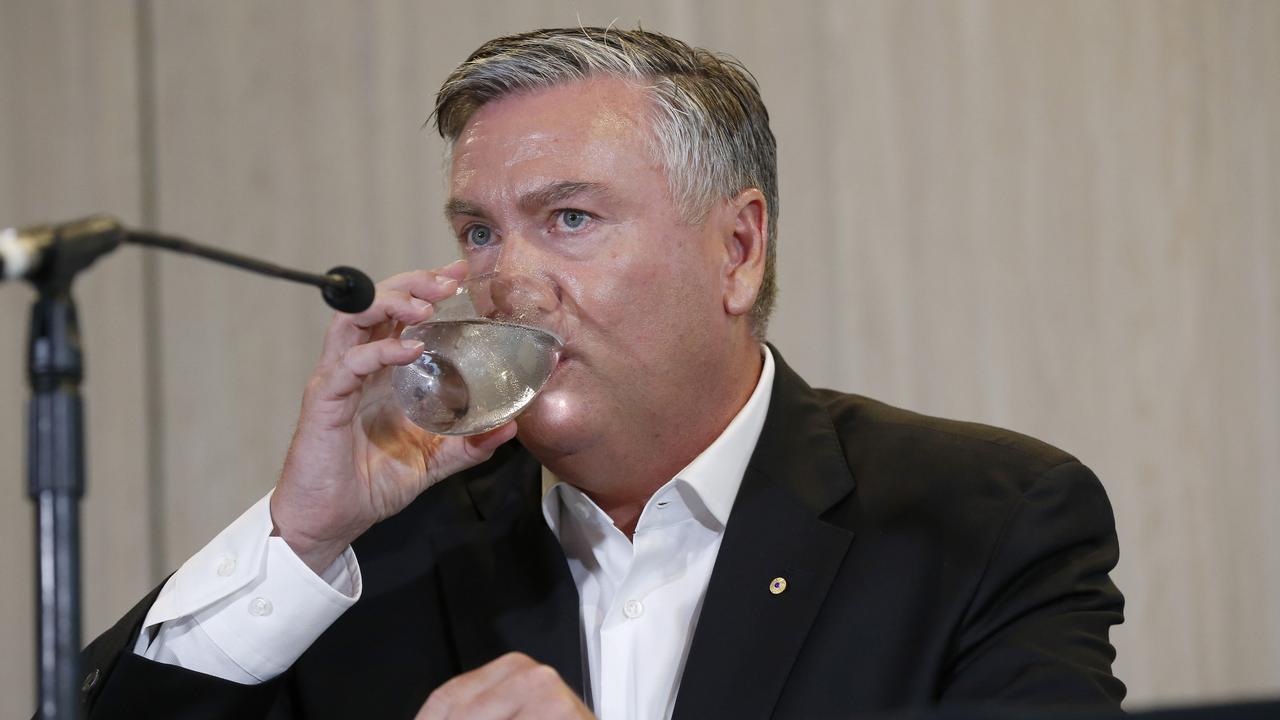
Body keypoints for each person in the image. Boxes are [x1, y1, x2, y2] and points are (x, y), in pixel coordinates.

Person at [75, 27, 1124, 719]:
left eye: (568, 219)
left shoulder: (980, 523)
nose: (508, 283)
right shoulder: (381, 555)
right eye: (478, 233)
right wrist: (300, 534)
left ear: (736, 249)